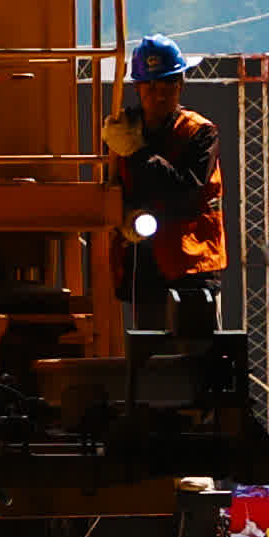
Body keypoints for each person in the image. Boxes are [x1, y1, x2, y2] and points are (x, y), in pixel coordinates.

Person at [102, 37, 224, 332]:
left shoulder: (199, 132)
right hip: (141, 267)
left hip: (191, 265)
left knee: (200, 354)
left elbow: (186, 194)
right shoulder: (122, 130)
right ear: (138, 88)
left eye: (167, 84)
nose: (158, 95)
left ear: (180, 84)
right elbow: (109, 188)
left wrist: (139, 152)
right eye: (150, 86)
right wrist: (123, 217)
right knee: (148, 355)